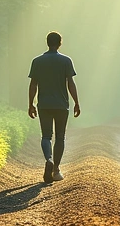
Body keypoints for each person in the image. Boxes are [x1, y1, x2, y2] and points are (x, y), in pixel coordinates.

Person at [27, 31, 80, 184]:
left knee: (46, 136)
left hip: (44, 104)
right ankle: (56, 169)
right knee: (60, 137)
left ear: (47, 42)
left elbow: (33, 85)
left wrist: (30, 104)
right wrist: (76, 102)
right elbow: (70, 83)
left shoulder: (37, 61)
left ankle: (48, 159)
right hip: (62, 105)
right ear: (60, 43)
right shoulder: (66, 61)